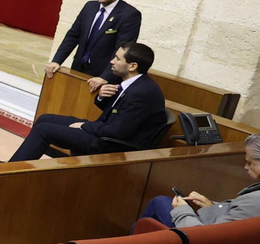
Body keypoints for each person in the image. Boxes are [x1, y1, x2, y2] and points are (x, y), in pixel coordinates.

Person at [10, 43, 166, 162]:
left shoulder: (142, 92)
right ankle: (18, 162)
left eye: (117, 58)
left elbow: (117, 131)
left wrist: (84, 126)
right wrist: (102, 97)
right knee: (45, 119)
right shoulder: (134, 83)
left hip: (112, 144)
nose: (112, 61)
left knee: (44, 130)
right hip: (106, 133)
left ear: (132, 66)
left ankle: (8, 171)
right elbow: (118, 114)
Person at [138, 133, 260, 229]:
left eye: (249, 162)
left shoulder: (257, 202)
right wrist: (214, 207)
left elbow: (205, 240)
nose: (245, 167)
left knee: (160, 203)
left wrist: (182, 212)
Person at [45, 0, 142, 86]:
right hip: (78, 69)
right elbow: (72, 36)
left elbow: (122, 50)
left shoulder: (129, 14)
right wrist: (56, 60)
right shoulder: (90, 7)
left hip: (103, 75)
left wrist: (105, 77)